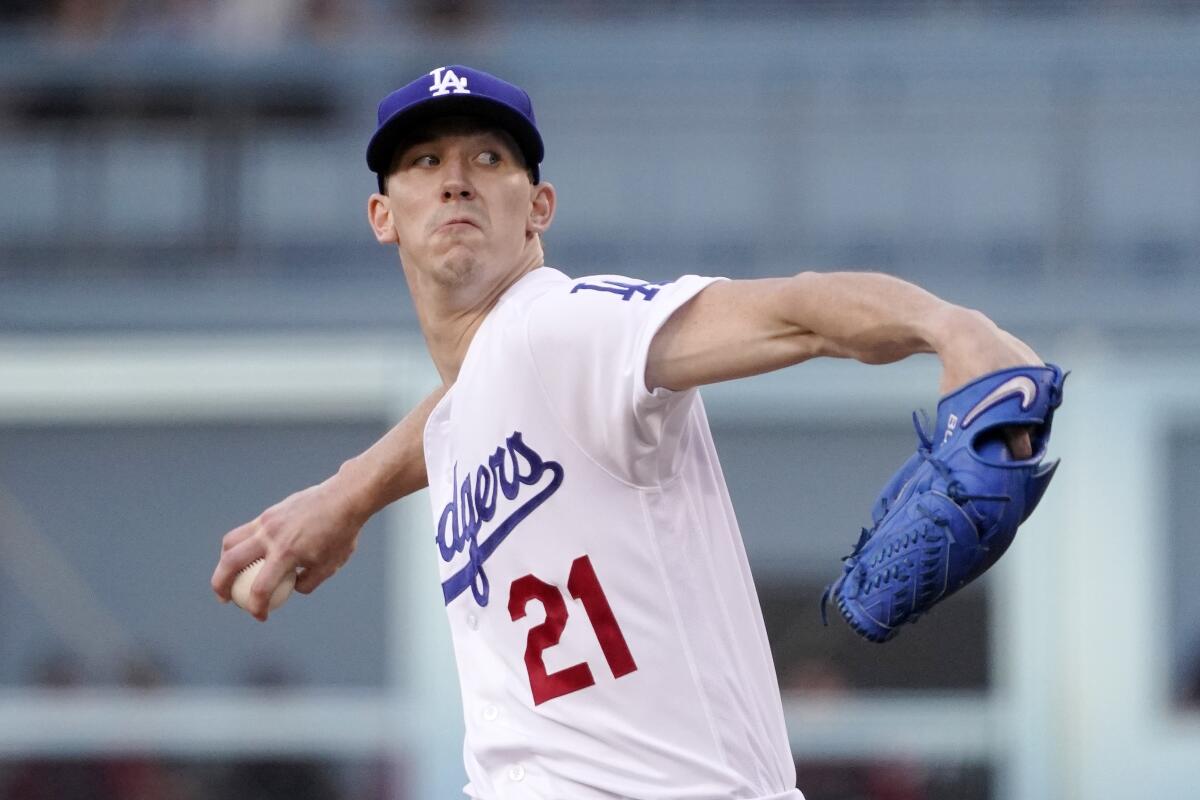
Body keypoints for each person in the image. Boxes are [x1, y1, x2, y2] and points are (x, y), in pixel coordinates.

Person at [211, 65, 1041, 799]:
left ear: (538, 208)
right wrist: (345, 495)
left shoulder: (564, 326)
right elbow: (467, 398)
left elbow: (795, 313)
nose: (455, 180)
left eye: (488, 160)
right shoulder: (480, 398)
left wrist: (946, 324)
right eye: (424, 162)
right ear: (382, 214)